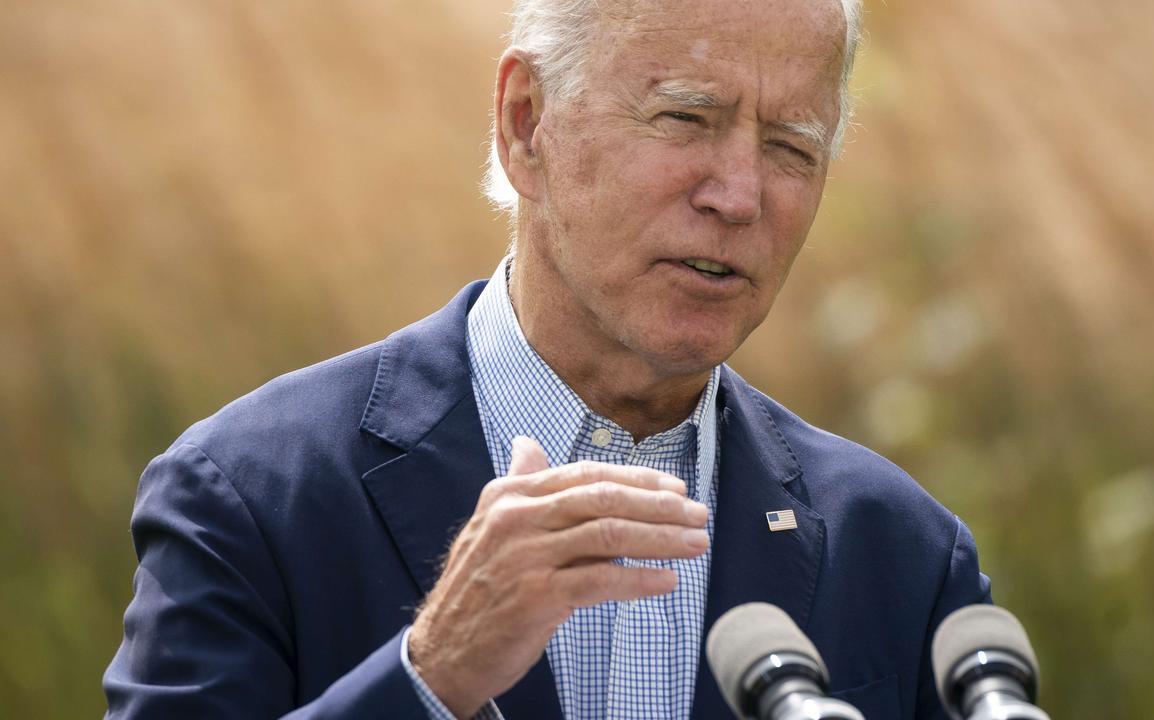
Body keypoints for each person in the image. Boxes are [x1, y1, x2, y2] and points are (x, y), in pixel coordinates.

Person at [103, 0, 990, 718]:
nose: (739, 195)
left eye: (790, 147)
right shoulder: (247, 493)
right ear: (526, 124)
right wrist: (430, 675)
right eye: (685, 118)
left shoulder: (904, 551)